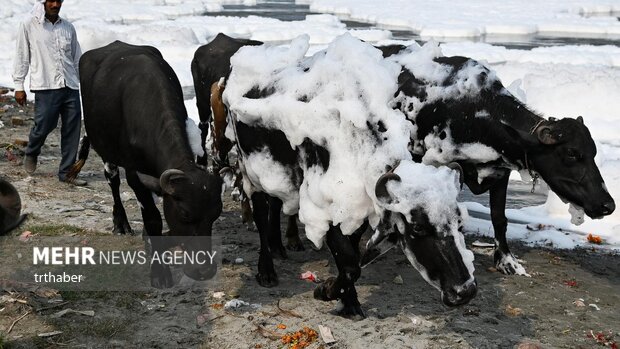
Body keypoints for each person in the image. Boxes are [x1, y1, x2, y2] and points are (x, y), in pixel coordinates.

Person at [12, 0, 86, 186]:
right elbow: (22, 54)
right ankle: (32, 151)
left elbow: (76, 58)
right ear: (43, 2)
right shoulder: (29, 24)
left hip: (70, 85)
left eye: (59, 1)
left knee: (72, 129)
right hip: (45, 85)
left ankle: (66, 172)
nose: (55, 4)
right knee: (44, 125)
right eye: (51, 1)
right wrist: (18, 85)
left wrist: (84, 84)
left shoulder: (68, 27)